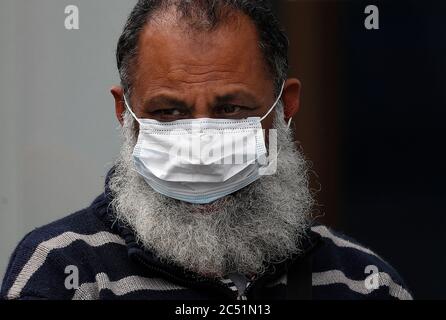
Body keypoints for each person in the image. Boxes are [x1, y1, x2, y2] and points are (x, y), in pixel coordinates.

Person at [1, 0, 412, 300]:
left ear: (285, 107)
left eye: (229, 108)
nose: (200, 145)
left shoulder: (363, 283)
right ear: (123, 113)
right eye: (168, 111)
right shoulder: (65, 272)